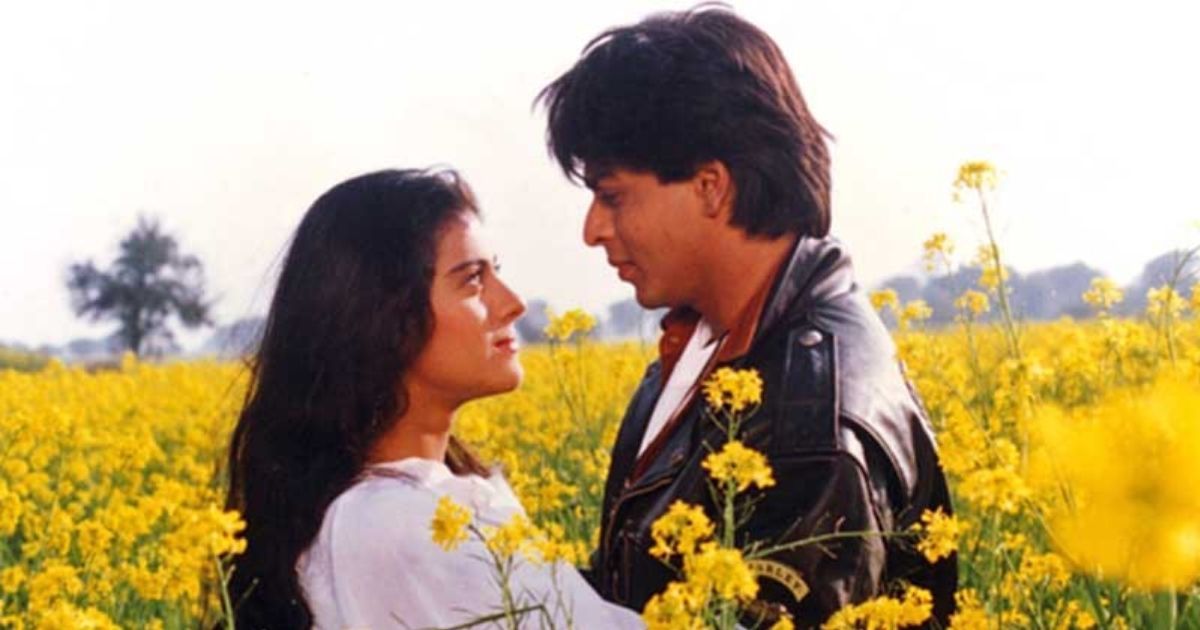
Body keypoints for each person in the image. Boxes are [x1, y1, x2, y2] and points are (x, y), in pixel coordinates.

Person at [538, 6, 957, 626]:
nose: (592, 229)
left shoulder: (807, 429)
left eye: (612, 195)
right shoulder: (706, 347)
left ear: (711, 186)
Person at [223, 169, 643, 629]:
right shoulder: (395, 524)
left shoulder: (424, 502)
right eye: (473, 280)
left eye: (496, 271)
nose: (513, 303)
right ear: (384, 318)